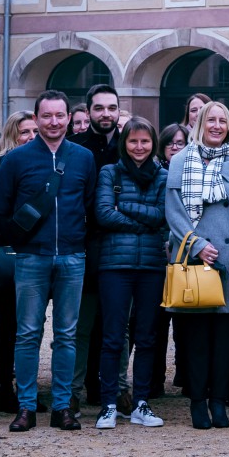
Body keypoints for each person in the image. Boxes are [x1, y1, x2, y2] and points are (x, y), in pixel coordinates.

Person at [0, 90, 99, 432]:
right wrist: (21, 241)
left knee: (66, 335)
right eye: (47, 116)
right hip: (31, 258)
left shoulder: (83, 157)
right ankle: (26, 406)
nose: (54, 122)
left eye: (60, 115)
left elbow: (91, 206)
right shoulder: (16, 160)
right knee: (27, 334)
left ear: (70, 117)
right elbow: (0, 210)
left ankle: (63, 407)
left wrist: (80, 244)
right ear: (35, 119)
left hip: (72, 256)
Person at [164, 103, 229, 429]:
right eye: (211, 120)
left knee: (226, 341)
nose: (217, 126)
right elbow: (174, 212)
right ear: (201, 124)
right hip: (195, 259)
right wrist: (195, 245)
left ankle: (220, 401)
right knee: (195, 340)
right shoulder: (181, 161)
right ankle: (197, 402)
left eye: (223, 120)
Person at [89, 118, 171, 430]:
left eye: (145, 142)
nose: (139, 147)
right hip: (115, 265)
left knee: (147, 336)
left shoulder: (163, 176)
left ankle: (141, 402)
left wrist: (127, 207)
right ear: (125, 143)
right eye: (133, 141)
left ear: (153, 144)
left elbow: (163, 216)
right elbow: (104, 213)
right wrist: (144, 222)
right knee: (112, 336)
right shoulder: (110, 172)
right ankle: (109, 403)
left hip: (151, 265)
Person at [82, 87, 126, 168]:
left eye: (112, 108)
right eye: (99, 108)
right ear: (87, 113)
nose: (106, 114)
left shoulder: (129, 147)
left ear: (118, 112)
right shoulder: (70, 145)